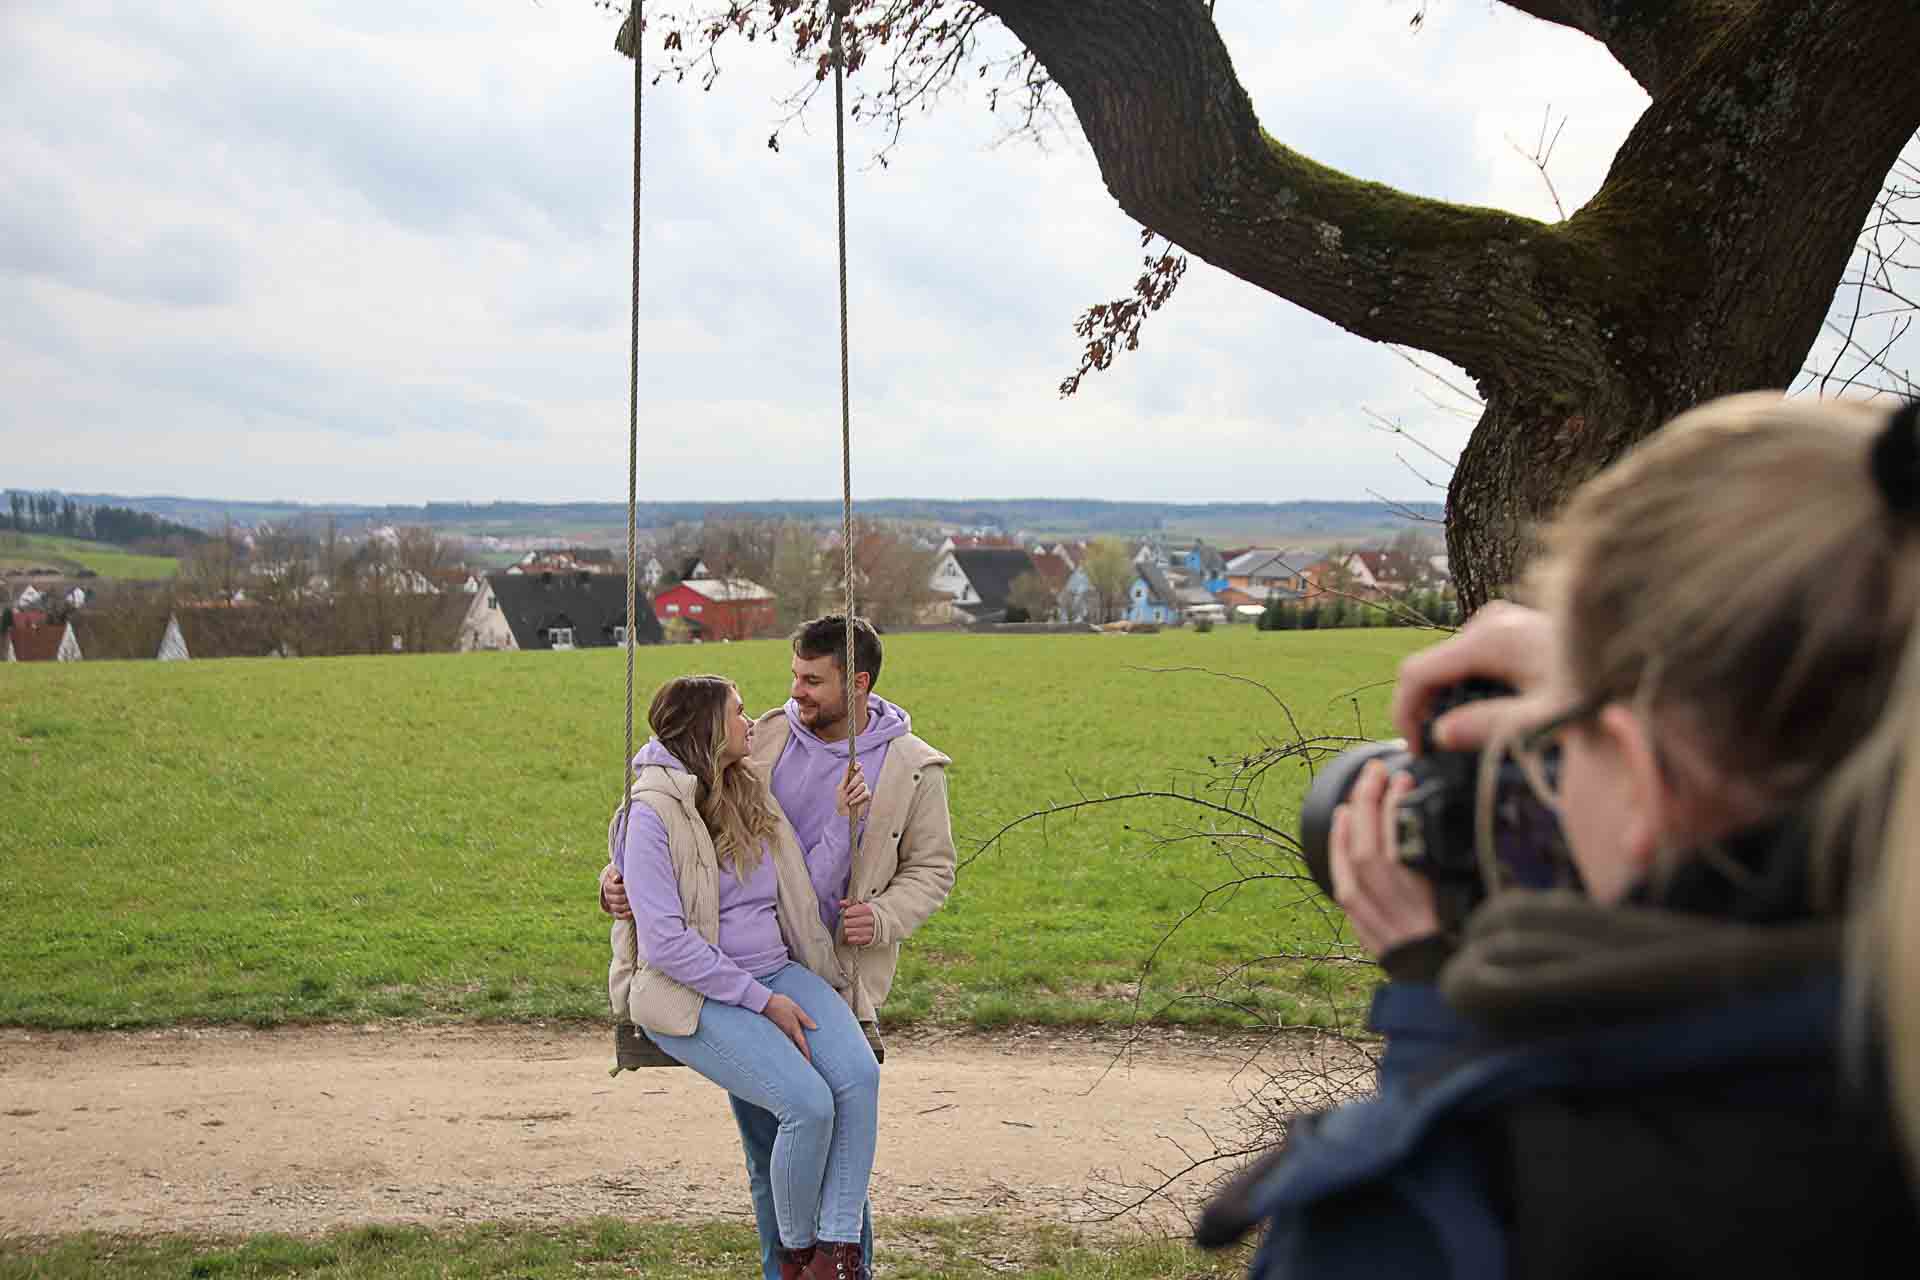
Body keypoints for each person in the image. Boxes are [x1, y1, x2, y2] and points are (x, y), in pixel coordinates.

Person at [1199, 393, 1920, 1277]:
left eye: (1561, 746)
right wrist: (1630, 683)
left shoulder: (1444, 1216)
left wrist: (1443, 1014)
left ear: (1642, 776)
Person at [603, 616, 957, 1280]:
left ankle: (842, 1261)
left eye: (811, 680)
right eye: (792, 676)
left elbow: (909, 872)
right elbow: (667, 856)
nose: (793, 693)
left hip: (821, 967)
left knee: (849, 1097)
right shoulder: (761, 746)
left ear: (856, 683)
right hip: (729, 981)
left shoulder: (911, 767)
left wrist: (878, 915)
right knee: (787, 1131)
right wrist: (615, 880)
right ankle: (792, 1266)